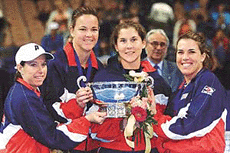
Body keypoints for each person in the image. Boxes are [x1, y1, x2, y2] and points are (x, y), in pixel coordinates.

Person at [0, 43, 106, 153]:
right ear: (20, 68)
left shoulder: (26, 90)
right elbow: (53, 137)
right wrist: (87, 120)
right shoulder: (25, 97)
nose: (40, 70)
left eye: (43, 64)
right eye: (33, 65)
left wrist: (77, 104)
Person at [90, 21, 171, 152]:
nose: (129, 46)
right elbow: (93, 126)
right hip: (112, 149)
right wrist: (120, 125)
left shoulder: (157, 81)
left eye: (134, 40)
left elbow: (165, 121)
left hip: (147, 148)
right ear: (116, 46)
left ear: (143, 43)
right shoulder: (103, 80)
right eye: (123, 41)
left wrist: (150, 117)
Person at [41, 7, 105, 153]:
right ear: (72, 30)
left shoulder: (99, 68)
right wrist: (77, 104)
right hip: (65, 145)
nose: (89, 35)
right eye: (83, 29)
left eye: (94, 29)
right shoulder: (55, 65)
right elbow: (48, 108)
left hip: (94, 146)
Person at [152, 32, 227, 153]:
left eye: (191, 52)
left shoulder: (208, 81)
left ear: (203, 56)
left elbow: (188, 125)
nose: (185, 57)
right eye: (180, 52)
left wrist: (154, 122)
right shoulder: (180, 89)